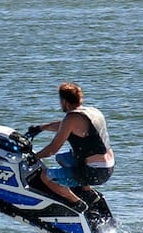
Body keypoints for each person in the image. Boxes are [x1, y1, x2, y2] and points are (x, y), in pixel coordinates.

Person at [27, 82, 114, 213]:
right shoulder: (92, 112)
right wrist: (41, 128)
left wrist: (33, 157)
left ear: (64, 101)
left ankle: (77, 203)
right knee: (62, 158)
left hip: (94, 172)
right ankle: (88, 192)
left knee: (45, 176)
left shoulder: (71, 118)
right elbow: (63, 126)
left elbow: (52, 149)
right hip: (108, 166)